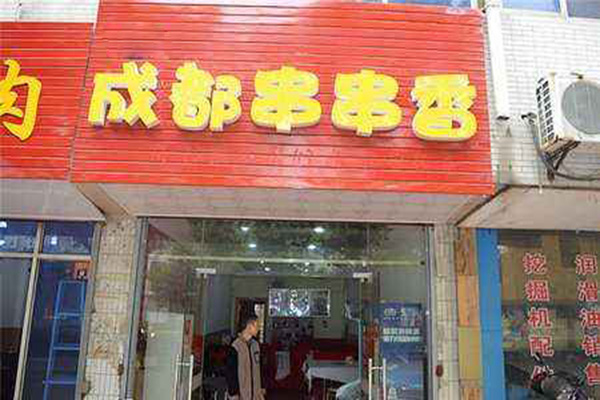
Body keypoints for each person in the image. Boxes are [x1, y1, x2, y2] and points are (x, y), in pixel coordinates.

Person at [225, 314, 266, 400]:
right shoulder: (235, 346)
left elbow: (260, 368)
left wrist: (262, 387)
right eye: (257, 325)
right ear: (249, 326)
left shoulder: (256, 345)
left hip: (256, 394)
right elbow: (231, 373)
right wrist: (234, 394)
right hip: (242, 395)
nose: (259, 328)